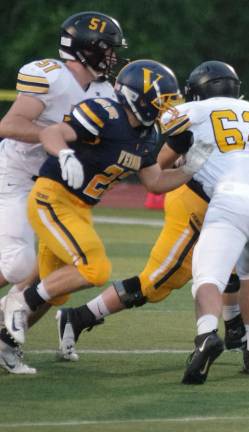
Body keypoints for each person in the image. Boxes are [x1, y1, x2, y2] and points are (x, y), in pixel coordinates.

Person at [55, 67, 249, 370]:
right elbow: (157, 167)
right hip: (195, 202)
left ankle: (235, 325)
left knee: (234, 264)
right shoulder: (238, 116)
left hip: (223, 201)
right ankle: (79, 316)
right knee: (160, 280)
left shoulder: (232, 116)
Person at [0, 59, 203, 374]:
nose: (167, 107)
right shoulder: (105, 113)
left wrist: (191, 169)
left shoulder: (148, 136)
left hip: (78, 208)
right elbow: (53, 131)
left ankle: (5, 343)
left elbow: (155, 182)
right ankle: (18, 302)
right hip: (52, 197)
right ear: (138, 96)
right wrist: (64, 153)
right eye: (162, 100)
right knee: (94, 269)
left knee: (54, 288)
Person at [0, 11, 127, 374]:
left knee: (55, 278)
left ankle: (5, 342)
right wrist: (61, 140)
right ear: (86, 48)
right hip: (18, 175)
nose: (112, 57)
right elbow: (9, 124)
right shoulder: (50, 75)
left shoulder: (105, 91)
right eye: (107, 49)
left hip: (56, 185)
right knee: (21, 265)